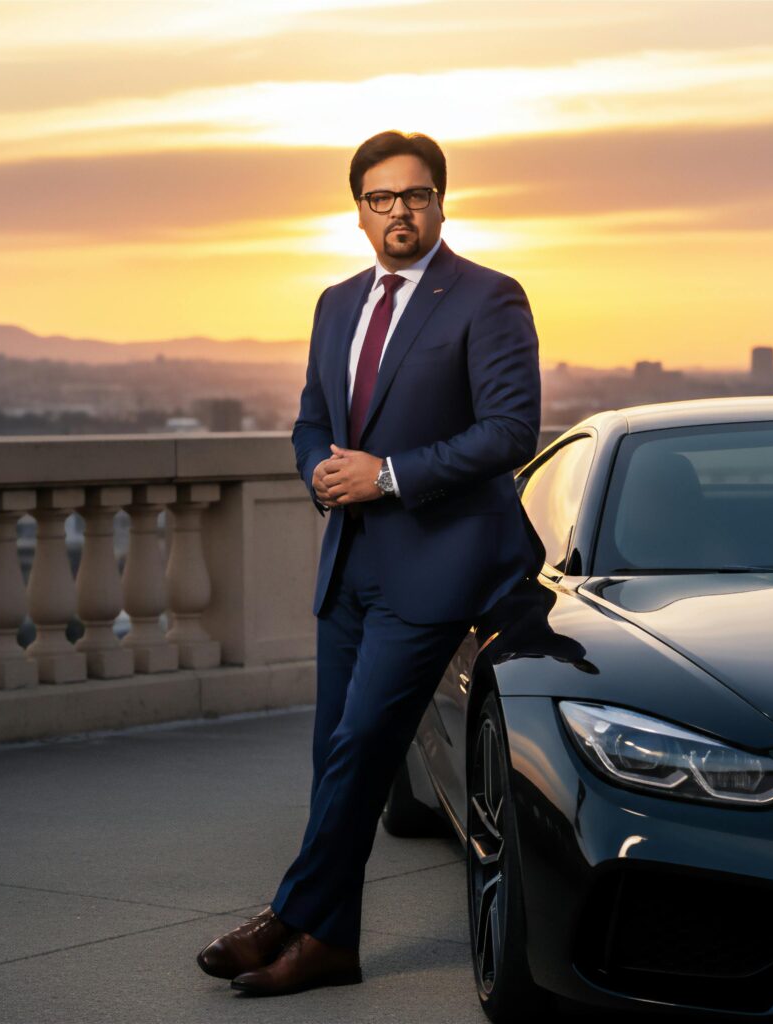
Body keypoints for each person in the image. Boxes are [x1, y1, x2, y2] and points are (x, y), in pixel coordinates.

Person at [196, 129, 545, 997]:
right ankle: (331, 944)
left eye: (416, 195)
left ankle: (287, 915)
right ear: (358, 209)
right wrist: (317, 465)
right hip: (349, 563)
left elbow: (509, 432)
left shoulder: (488, 298)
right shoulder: (335, 303)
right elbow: (313, 417)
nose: (400, 211)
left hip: (438, 564)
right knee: (331, 756)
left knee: (362, 747)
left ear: (440, 201)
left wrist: (387, 475)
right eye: (381, 197)